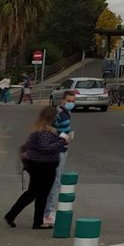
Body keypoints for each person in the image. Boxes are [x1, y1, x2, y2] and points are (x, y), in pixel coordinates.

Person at [5, 105, 65, 229]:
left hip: (37, 165)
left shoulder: (41, 128)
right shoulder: (44, 131)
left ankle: (15, 216)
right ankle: (33, 220)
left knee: (34, 193)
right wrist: (63, 140)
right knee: (39, 194)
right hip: (43, 166)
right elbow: (45, 147)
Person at [41, 90, 78, 228]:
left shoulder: (67, 112)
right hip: (56, 150)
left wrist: (67, 135)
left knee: (56, 181)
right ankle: (47, 213)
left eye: (73, 101)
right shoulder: (58, 113)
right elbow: (45, 126)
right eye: (68, 101)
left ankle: (48, 211)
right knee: (55, 182)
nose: (71, 103)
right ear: (63, 100)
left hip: (63, 149)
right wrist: (61, 135)